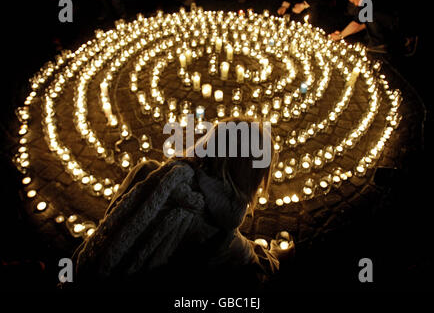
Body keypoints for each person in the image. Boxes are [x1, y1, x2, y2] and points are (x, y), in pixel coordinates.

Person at [72, 117, 294, 292]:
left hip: (85, 273)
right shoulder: (225, 238)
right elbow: (256, 263)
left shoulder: (150, 173)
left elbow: (113, 218)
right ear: (253, 179)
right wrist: (275, 254)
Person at [329, 0, 418, 55]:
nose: (356, 4)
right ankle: (385, 43)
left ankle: (389, 43)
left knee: (371, 17)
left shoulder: (367, 1)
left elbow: (356, 24)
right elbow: (362, 25)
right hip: (393, 22)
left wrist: (340, 36)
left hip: (398, 23)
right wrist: (343, 33)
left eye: (354, 1)